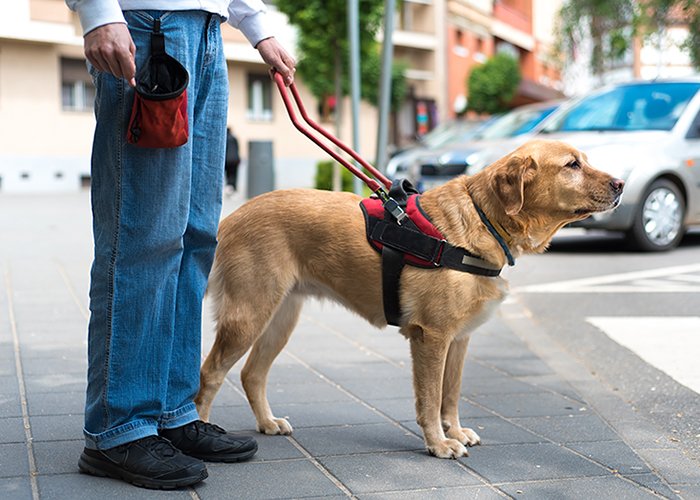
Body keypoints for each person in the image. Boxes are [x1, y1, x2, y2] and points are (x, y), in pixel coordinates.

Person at [64, 0, 295, 490]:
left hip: (208, 33)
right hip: (148, 29)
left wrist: (255, 26)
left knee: (194, 238)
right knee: (142, 239)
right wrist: (98, 11)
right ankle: (118, 427)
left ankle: (172, 410)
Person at [225, 127, 241, 192]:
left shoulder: (225, 139)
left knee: (228, 174)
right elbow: (238, 148)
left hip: (227, 160)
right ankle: (233, 188)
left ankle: (228, 186)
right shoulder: (234, 138)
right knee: (234, 175)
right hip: (235, 160)